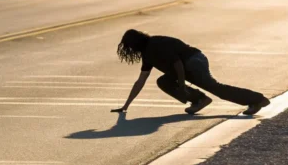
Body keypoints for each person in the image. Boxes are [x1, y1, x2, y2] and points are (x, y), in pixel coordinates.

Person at [111, 29, 272, 116]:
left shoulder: (156, 44)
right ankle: (200, 100)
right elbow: (140, 82)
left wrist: (181, 85)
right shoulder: (147, 55)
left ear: (135, 43)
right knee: (163, 81)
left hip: (193, 62)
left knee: (216, 88)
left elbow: (178, 63)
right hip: (184, 66)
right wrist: (125, 106)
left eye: (128, 47)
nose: (129, 50)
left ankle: (258, 100)